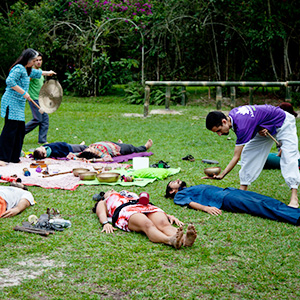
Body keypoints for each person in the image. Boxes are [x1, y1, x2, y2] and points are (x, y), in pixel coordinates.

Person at [205, 104, 300, 208]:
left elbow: (236, 157)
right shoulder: (232, 114)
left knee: (289, 157)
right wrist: (261, 126)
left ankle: (294, 197)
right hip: (265, 127)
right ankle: (242, 192)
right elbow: (255, 117)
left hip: (283, 121)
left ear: (224, 121)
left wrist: (222, 174)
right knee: (248, 153)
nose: (219, 134)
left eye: (219, 130)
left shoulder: (242, 126)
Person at [0, 48, 56, 166]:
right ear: (28, 59)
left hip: (19, 104)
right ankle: (3, 158)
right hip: (11, 101)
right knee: (10, 130)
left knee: (19, 130)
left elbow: (37, 73)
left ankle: (14, 157)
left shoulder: (27, 70)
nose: (35, 62)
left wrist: (48, 72)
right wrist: (24, 93)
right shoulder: (19, 68)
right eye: (34, 60)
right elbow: (9, 81)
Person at [165, 179, 300, 225]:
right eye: (173, 183)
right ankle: (295, 217)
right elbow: (190, 203)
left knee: (263, 199)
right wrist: (206, 209)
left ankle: (294, 211)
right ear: (171, 191)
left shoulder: (188, 188)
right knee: (259, 206)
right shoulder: (179, 196)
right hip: (224, 199)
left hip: (230, 191)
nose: (177, 180)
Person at [94, 189, 197, 249]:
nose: (112, 190)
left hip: (145, 206)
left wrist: (169, 216)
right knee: (147, 224)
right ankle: (170, 240)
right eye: (109, 191)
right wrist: (105, 223)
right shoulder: (105, 201)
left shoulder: (129, 194)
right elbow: (101, 213)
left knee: (163, 223)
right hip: (126, 210)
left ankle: (185, 240)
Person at [33, 139, 153, 161]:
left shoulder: (85, 151)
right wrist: (95, 160)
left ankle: (120, 144)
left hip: (108, 143)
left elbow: (73, 155)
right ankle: (145, 147)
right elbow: (108, 159)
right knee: (132, 148)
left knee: (125, 146)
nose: (91, 149)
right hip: (115, 148)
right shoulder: (100, 153)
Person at [25, 52, 49, 144]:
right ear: (33, 61)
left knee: (45, 119)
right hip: (34, 100)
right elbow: (26, 83)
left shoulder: (40, 72)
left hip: (41, 100)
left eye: (40, 60)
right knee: (37, 119)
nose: (39, 62)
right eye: (37, 60)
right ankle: (19, 133)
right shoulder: (31, 73)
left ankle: (42, 140)